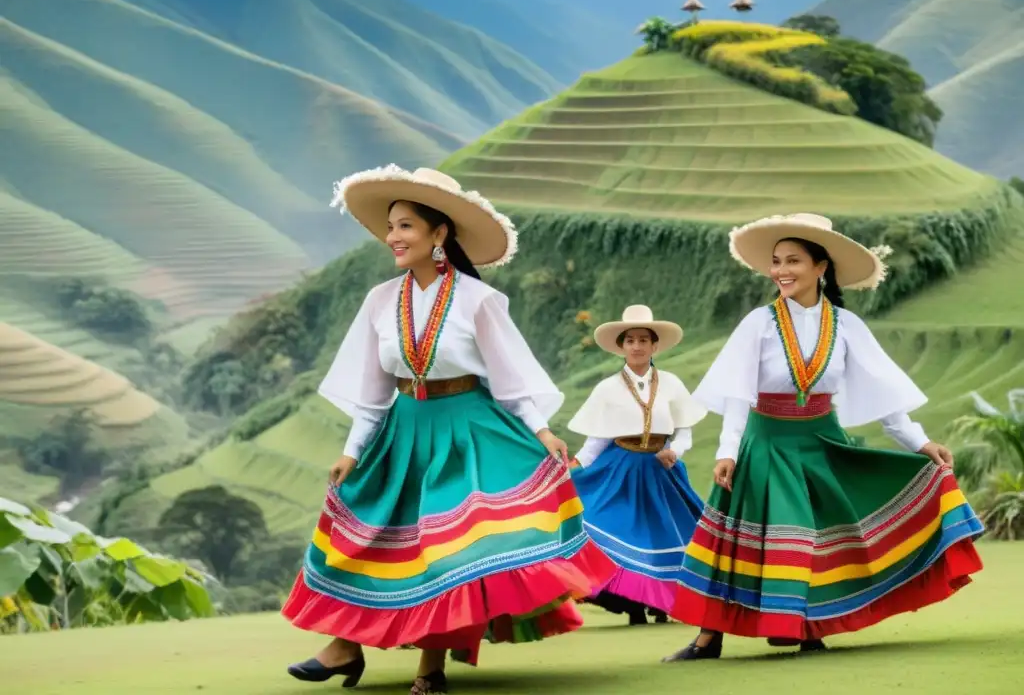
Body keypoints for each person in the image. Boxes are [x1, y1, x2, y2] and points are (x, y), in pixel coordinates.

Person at [281, 165, 615, 694]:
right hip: (403, 429)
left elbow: (509, 379)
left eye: (407, 226)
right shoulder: (379, 300)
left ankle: (430, 669)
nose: (393, 236)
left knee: (445, 544)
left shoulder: (477, 301)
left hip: (467, 430)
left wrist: (542, 431)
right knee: (359, 532)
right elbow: (373, 389)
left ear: (439, 235)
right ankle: (345, 647)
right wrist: (352, 450)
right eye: (390, 226)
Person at [662, 213, 985, 662]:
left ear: (821, 267)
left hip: (822, 440)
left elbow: (883, 392)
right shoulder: (759, 322)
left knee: (817, 537)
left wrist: (919, 442)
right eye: (776, 262)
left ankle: (811, 629)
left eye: (793, 260)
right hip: (768, 441)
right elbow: (738, 393)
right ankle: (707, 639)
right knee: (742, 541)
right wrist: (727, 451)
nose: (781, 271)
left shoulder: (848, 327)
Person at [566, 305, 708, 626]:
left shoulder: (671, 384)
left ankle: (663, 602)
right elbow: (596, 441)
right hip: (620, 469)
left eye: (644, 339)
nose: (637, 346)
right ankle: (632, 604)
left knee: (664, 534)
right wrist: (573, 467)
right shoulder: (606, 388)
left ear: (655, 346)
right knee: (618, 528)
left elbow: (684, 429)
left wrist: (677, 451)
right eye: (630, 340)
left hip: (662, 470)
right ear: (622, 346)